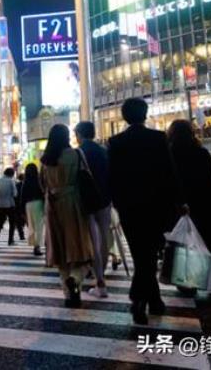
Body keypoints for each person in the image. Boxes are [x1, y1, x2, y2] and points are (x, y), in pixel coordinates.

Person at [108, 98, 179, 325]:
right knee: (148, 253)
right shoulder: (158, 138)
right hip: (156, 206)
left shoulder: (116, 142)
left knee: (141, 253)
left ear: (124, 117)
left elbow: (113, 177)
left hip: (129, 207)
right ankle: (146, 299)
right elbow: (170, 173)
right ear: (145, 114)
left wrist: (118, 202)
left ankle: (145, 299)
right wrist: (177, 202)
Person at [167, 120, 211, 268]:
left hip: (179, 202)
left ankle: (186, 280)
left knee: (183, 239)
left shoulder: (169, 154)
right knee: (203, 234)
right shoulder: (201, 153)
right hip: (202, 202)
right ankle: (210, 259)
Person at [40, 124, 95, 308]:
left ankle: (68, 296)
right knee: (81, 249)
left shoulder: (46, 160)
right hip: (73, 204)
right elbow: (87, 177)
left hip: (52, 205)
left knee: (61, 253)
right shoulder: (76, 154)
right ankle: (75, 278)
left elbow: (43, 185)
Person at [74, 121, 113, 298]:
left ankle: (99, 281)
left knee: (92, 241)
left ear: (79, 135)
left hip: (87, 202)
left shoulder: (79, 152)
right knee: (103, 239)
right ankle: (100, 274)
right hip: (105, 199)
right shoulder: (103, 150)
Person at [21, 163, 45, 257]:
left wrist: (22, 210)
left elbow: (22, 196)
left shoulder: (25, 182)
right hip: (38, 203)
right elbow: (42, 193)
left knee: (31, 226)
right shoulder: (39, 181)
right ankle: (37, 246)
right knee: (39, 226)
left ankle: (35, 244)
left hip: (28, 205)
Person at [0, 168, 18, 246]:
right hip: (10, 204)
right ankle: (10, 240)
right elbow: (15, 194)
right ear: (11, 174)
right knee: (12, 222)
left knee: (0, 222)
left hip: (0, 204)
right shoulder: (11, 181)